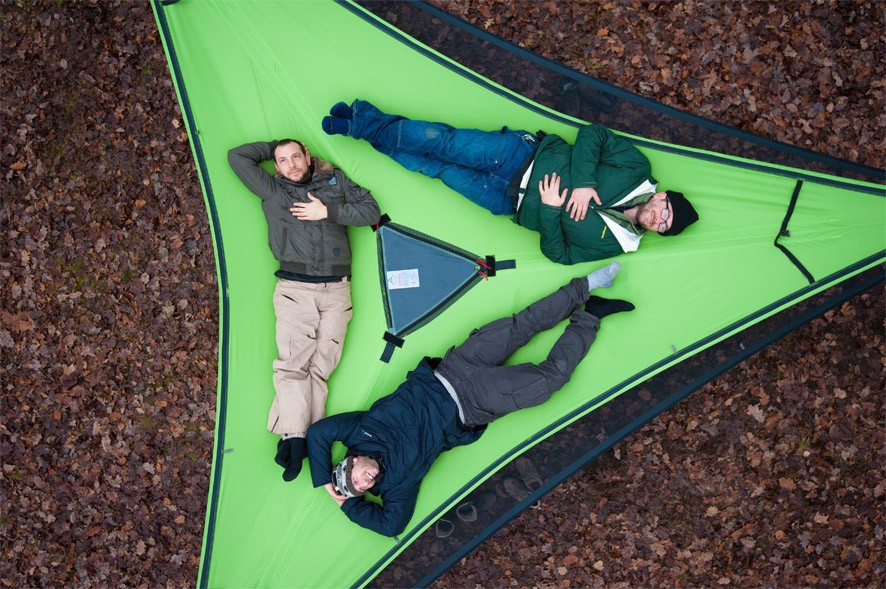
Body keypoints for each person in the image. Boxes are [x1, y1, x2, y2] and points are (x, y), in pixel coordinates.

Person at [306, 262, 633, 536]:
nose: (365, 483)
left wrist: (323, 482)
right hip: (473, 402)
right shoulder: (397, 485)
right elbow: (392, 525)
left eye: (355, 478)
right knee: (549, 382)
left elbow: (318, 433)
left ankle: (587, 285)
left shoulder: (359, 431)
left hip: (454, 366)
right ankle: (590, 317)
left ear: (352, 460)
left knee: (522, 325)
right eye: (362, 489)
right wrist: (348, 504)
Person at [322, 99, 698, 265]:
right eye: (666, 212)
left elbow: (561, 256)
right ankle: (359, 125)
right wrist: (584, 183)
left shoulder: (618, 245)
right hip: (519, 155)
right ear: (662, 197)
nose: (659, 220)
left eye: (664, 227)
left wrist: (550, 211)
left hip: (503, 200)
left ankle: (365, 121)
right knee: (442, 141)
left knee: (434, 168)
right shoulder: (636, 169)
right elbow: (593, 134)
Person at [228, 138, 381, 482]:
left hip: (337, 290)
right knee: (293, 366)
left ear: (307, 156)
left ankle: (295, 438)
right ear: (276, 166)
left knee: (320, 369)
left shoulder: (335, 181)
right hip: (295, 289)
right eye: (282, 160)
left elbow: (371, 211)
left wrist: (328, 212)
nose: (291, 164)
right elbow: (236, 157)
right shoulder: (274, 191)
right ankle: (298, 442)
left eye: (296, 156)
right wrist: (274, 145)